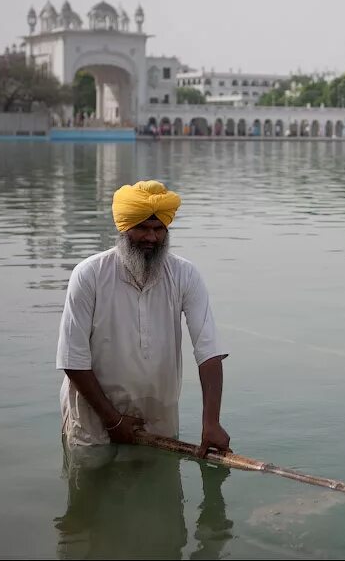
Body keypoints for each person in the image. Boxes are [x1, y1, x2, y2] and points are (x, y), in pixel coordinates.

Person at [56, 180, 230, 459]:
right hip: (93, 423)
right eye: (142, 228)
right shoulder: (89, 275)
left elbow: (208, 351)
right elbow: (72, 359)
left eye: (159, 229)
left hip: (157, 420)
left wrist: (211, 422)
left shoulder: (185, 275)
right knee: (92, 497)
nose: (151, 238)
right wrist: (112, 420)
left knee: (162, 499)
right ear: (124, 228)